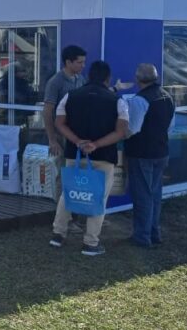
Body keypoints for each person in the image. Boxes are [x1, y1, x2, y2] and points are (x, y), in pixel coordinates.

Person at [48, 60, 129, 256]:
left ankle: (58, 234)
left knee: (68, 193)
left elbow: (59, 123)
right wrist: (96, 144)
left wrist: (77, 141)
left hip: (74, 155)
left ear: (89, 76)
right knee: (99, 198)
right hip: (103, 157)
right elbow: (121, 132)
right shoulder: (117, 101)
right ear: (108, 78)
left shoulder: (70, 96)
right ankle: (90, 242)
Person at [124, 64, 176, 247]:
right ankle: (154, 233)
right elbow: (170, 127)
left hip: (141, 153)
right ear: (156, 77)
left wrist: (118, 135)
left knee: (142, 196)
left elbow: (132, 129)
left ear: (138, 79)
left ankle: (142, 237)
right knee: (154, 194)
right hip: (161, 152)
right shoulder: (167, 96)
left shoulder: (139, 100)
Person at [43, 45, 87, 159]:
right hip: (60, 136)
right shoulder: (55, 82)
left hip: (76, 134)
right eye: (79, 62)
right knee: (62, 167)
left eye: (84, 62)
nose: (83, 65)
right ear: (68, 62)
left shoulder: (81, 79)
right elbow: (47, 112)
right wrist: (52, 140)